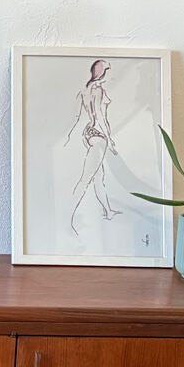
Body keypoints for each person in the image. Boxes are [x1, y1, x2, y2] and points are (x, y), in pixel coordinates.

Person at [63, 59, 121, 235]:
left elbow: (76, 116)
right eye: (108, 71)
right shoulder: (98, 89)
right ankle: (66, 219)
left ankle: (108, 211)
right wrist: (110, 140)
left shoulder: (84, 90)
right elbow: (100, 117)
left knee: (98, 177)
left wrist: (72, 136)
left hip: (89, 134)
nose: (110, 74)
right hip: (99, 136)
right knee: (85, 179)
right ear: (102, 72)